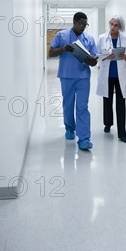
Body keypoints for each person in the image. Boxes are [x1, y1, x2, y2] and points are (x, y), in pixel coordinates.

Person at [49, 12, 98, 151]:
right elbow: (51, 52)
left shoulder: (89, 39)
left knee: (82, 107)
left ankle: (84, 139)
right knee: (68, 104)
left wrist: (91, 60)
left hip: (83, 77)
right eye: (81, 24)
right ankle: (70, 128)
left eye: (85, 25)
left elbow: (94, 61)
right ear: (74, 22)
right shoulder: (61, 36)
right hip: (67, 76)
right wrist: (64, 49)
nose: (83, 27)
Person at [96, 15, 126, 143]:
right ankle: (108, 123)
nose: (112, 27)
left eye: (115, 25)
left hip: (120, 76)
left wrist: (125, 57)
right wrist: (107, 56)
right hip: (107, 75)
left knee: (121, 104)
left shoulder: (125, 38)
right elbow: (97, 55)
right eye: (111, 24)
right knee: (107, 100)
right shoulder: (102, 38)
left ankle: (122, 133)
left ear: (120, 26)